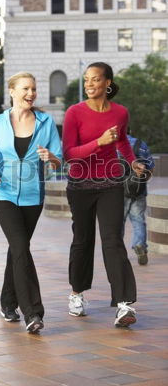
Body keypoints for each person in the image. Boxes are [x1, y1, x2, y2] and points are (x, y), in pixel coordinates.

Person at [62, 62, 145, 328]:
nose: (89, 84)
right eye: (86, 80)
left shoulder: (120, 112)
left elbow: (121, 141)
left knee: (113, 240)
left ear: (107, 83)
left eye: (95, 80)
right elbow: (69, 153)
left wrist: (132, 161)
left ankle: (123, 303)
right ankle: (76, 293)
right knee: (83, 240)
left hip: (110, 182)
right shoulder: (74, 113)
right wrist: (99, 142)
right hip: (80, 184)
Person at [0, 72, 62, 333]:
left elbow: (59, 160)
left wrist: (50, 156)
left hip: (33, 195)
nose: (31, 93)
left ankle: (7, 302)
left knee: (18, 248)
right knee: (19, 246)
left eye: (34, 89)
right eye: (26, 88)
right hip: (3, 194)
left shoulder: (45, 121)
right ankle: (33, 313)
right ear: (13, 92)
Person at [123, 129, 155, 265]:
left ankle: (117, 252)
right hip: (138, 190)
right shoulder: (140, 144)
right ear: (129, 130)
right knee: (138, 220)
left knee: (118, 222)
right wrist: (142, 181)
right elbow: (150, 166)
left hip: (117, 192)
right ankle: (140, 244)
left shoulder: (111, 145)